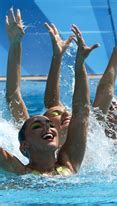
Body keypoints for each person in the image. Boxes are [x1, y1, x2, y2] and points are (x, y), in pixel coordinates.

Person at [0, 24, 97, 176]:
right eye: (38, 125)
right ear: (24, 145)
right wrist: (15, 44)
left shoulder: (69, 164)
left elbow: (82, 112)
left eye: (50, 124)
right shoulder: (21, 172)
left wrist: (80, 64)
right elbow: (13, 95)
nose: (48, 128)